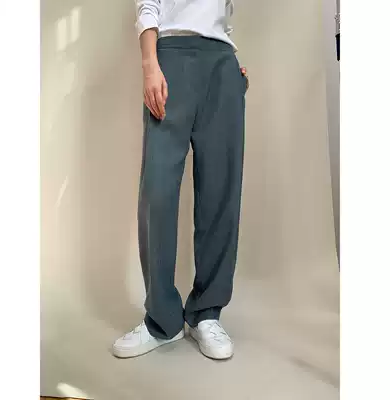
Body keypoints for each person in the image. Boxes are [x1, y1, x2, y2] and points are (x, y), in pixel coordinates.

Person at [113, 0, 249, 360]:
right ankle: (162, 320)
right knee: (157, 192)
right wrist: (149, 64)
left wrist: (231, 68)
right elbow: (148, 5)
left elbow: (222, 17)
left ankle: (206, 313)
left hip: (222, 65)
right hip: (169, 56)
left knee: (220, 192)